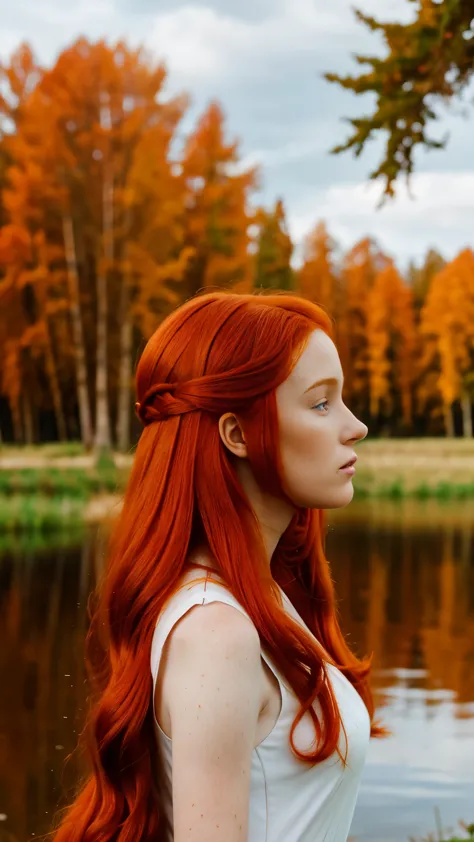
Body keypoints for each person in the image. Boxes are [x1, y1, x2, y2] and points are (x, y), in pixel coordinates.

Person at [51, 290, 386, 842]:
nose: (356, 427)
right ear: (236, 435)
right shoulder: (217, 631)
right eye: (322, 403)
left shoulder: (256, 597)